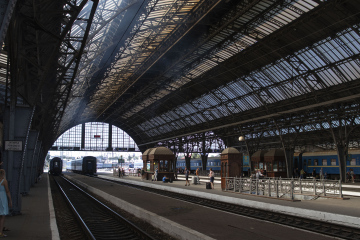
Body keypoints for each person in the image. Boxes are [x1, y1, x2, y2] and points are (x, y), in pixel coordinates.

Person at [0, 169, 12, 238]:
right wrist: (10, 201)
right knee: (2, 216)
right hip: (2, 199)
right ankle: (1, 232)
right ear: (3, 174)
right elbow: (7, 191)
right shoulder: (4, 181)